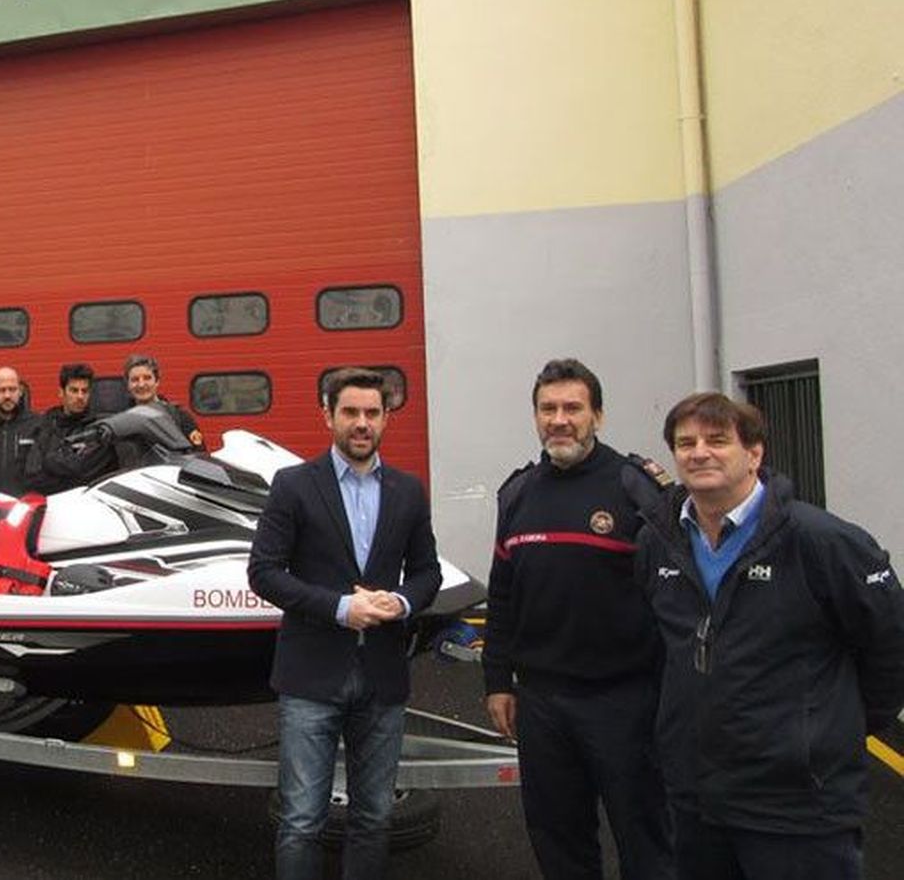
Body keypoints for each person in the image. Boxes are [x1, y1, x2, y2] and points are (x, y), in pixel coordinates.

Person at [637, 393, 904, 880]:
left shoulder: (821, 541)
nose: (699, 452)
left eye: (717, 440)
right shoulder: (658, 541)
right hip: (697, 799)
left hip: (797, 806)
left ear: (754, 454)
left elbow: (889, 645)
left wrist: (827, 729)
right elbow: (661, 648)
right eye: (685, 442)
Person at [482, 358, 674, 880]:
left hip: (625, 701)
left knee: (647, 838)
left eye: (573, 408)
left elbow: (673, 598)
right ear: (536, 416)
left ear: (598, 416)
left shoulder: (636, 488)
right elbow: (502, 596)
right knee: (558, 840)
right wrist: (498, 681)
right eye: (548, 409)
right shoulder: (518, 493)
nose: (559, 419)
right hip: (542, 703)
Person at [248, 368, 441, 879]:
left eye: (372, 413)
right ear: (327, 415)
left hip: (381, 677)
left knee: (374, 817)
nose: (362, 423)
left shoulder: (407, 491)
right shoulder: (293, 485)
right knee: (302, 820)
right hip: (311, 676)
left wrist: (400, 602)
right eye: (351, 412)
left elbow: (428, 572)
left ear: (385, 419)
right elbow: (264, 572)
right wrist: (339, 607)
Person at [29, 362, 115, 493]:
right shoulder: (45, 425)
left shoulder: (100, 429)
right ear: (61, 392)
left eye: (84, 391)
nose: (80, 396)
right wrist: (69, 472)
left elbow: (85, 473)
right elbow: (33, 475)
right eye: (74, 390)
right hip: (54, 506)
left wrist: (49, 461)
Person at [117, 353, 203, 468]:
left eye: (147, 378)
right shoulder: (121, 424)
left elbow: (199, 456)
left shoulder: (179, 416)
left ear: (157, 381)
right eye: (135, 380)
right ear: (128, 385)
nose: (141, 384)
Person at [0, 365, 42, 494]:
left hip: (26, 506)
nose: (7, 395)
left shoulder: (37, 425)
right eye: (1, 390)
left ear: (20, 391)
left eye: (12, 389)